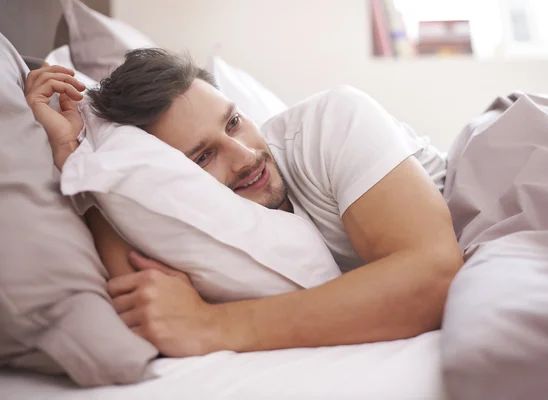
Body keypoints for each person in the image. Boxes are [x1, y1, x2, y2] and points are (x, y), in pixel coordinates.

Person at [25, 48, 463, 357]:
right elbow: (148, 302)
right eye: (202, 156)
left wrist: (211, 325)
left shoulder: (332, 122)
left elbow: (435, 277)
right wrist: (75, 161)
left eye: (233, 123)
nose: (245, 155)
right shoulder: (188, 214)